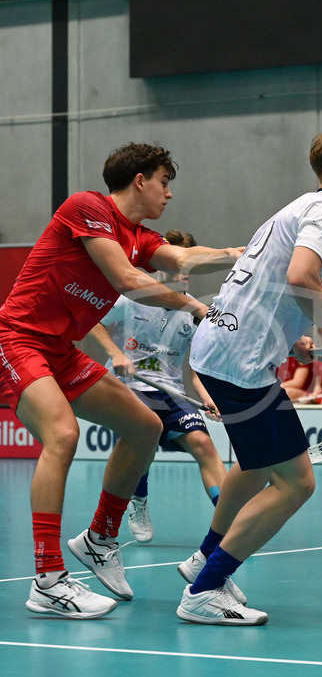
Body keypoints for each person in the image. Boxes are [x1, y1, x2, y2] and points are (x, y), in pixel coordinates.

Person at [0, 143, 241, 619]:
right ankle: (47, 579)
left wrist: (242, 253)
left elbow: (184, 259)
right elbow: (128, 280)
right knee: (63, 435)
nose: (168, 193)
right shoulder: (86, 208)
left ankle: (99, 539)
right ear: (139, 180)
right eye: (164, 182)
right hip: (18, 339)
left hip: (61, 352)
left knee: (145, 426)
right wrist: (192, 305)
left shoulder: (140, 236)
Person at [176, 126, 322, 625]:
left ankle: (204, 559)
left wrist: (296, 339)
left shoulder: (297, 209)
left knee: (256, 465)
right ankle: (205, 590)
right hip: (239, 364)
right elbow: (299, 278)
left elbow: (265, 286)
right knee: (296, 482)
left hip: (224, 350)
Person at [84, 230, 228, 544]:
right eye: (175, 266)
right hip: (129, 386)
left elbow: (194, 368)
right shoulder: (132, 297)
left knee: (203, 445)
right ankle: (139, 500)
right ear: (159, 267)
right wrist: (116, 353)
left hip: (170, 390)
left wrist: (207, 398)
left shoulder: (195, 312)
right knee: (143, 443)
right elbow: (90, 321)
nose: (181, 273)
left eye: (186, 267)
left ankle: (228, 524)